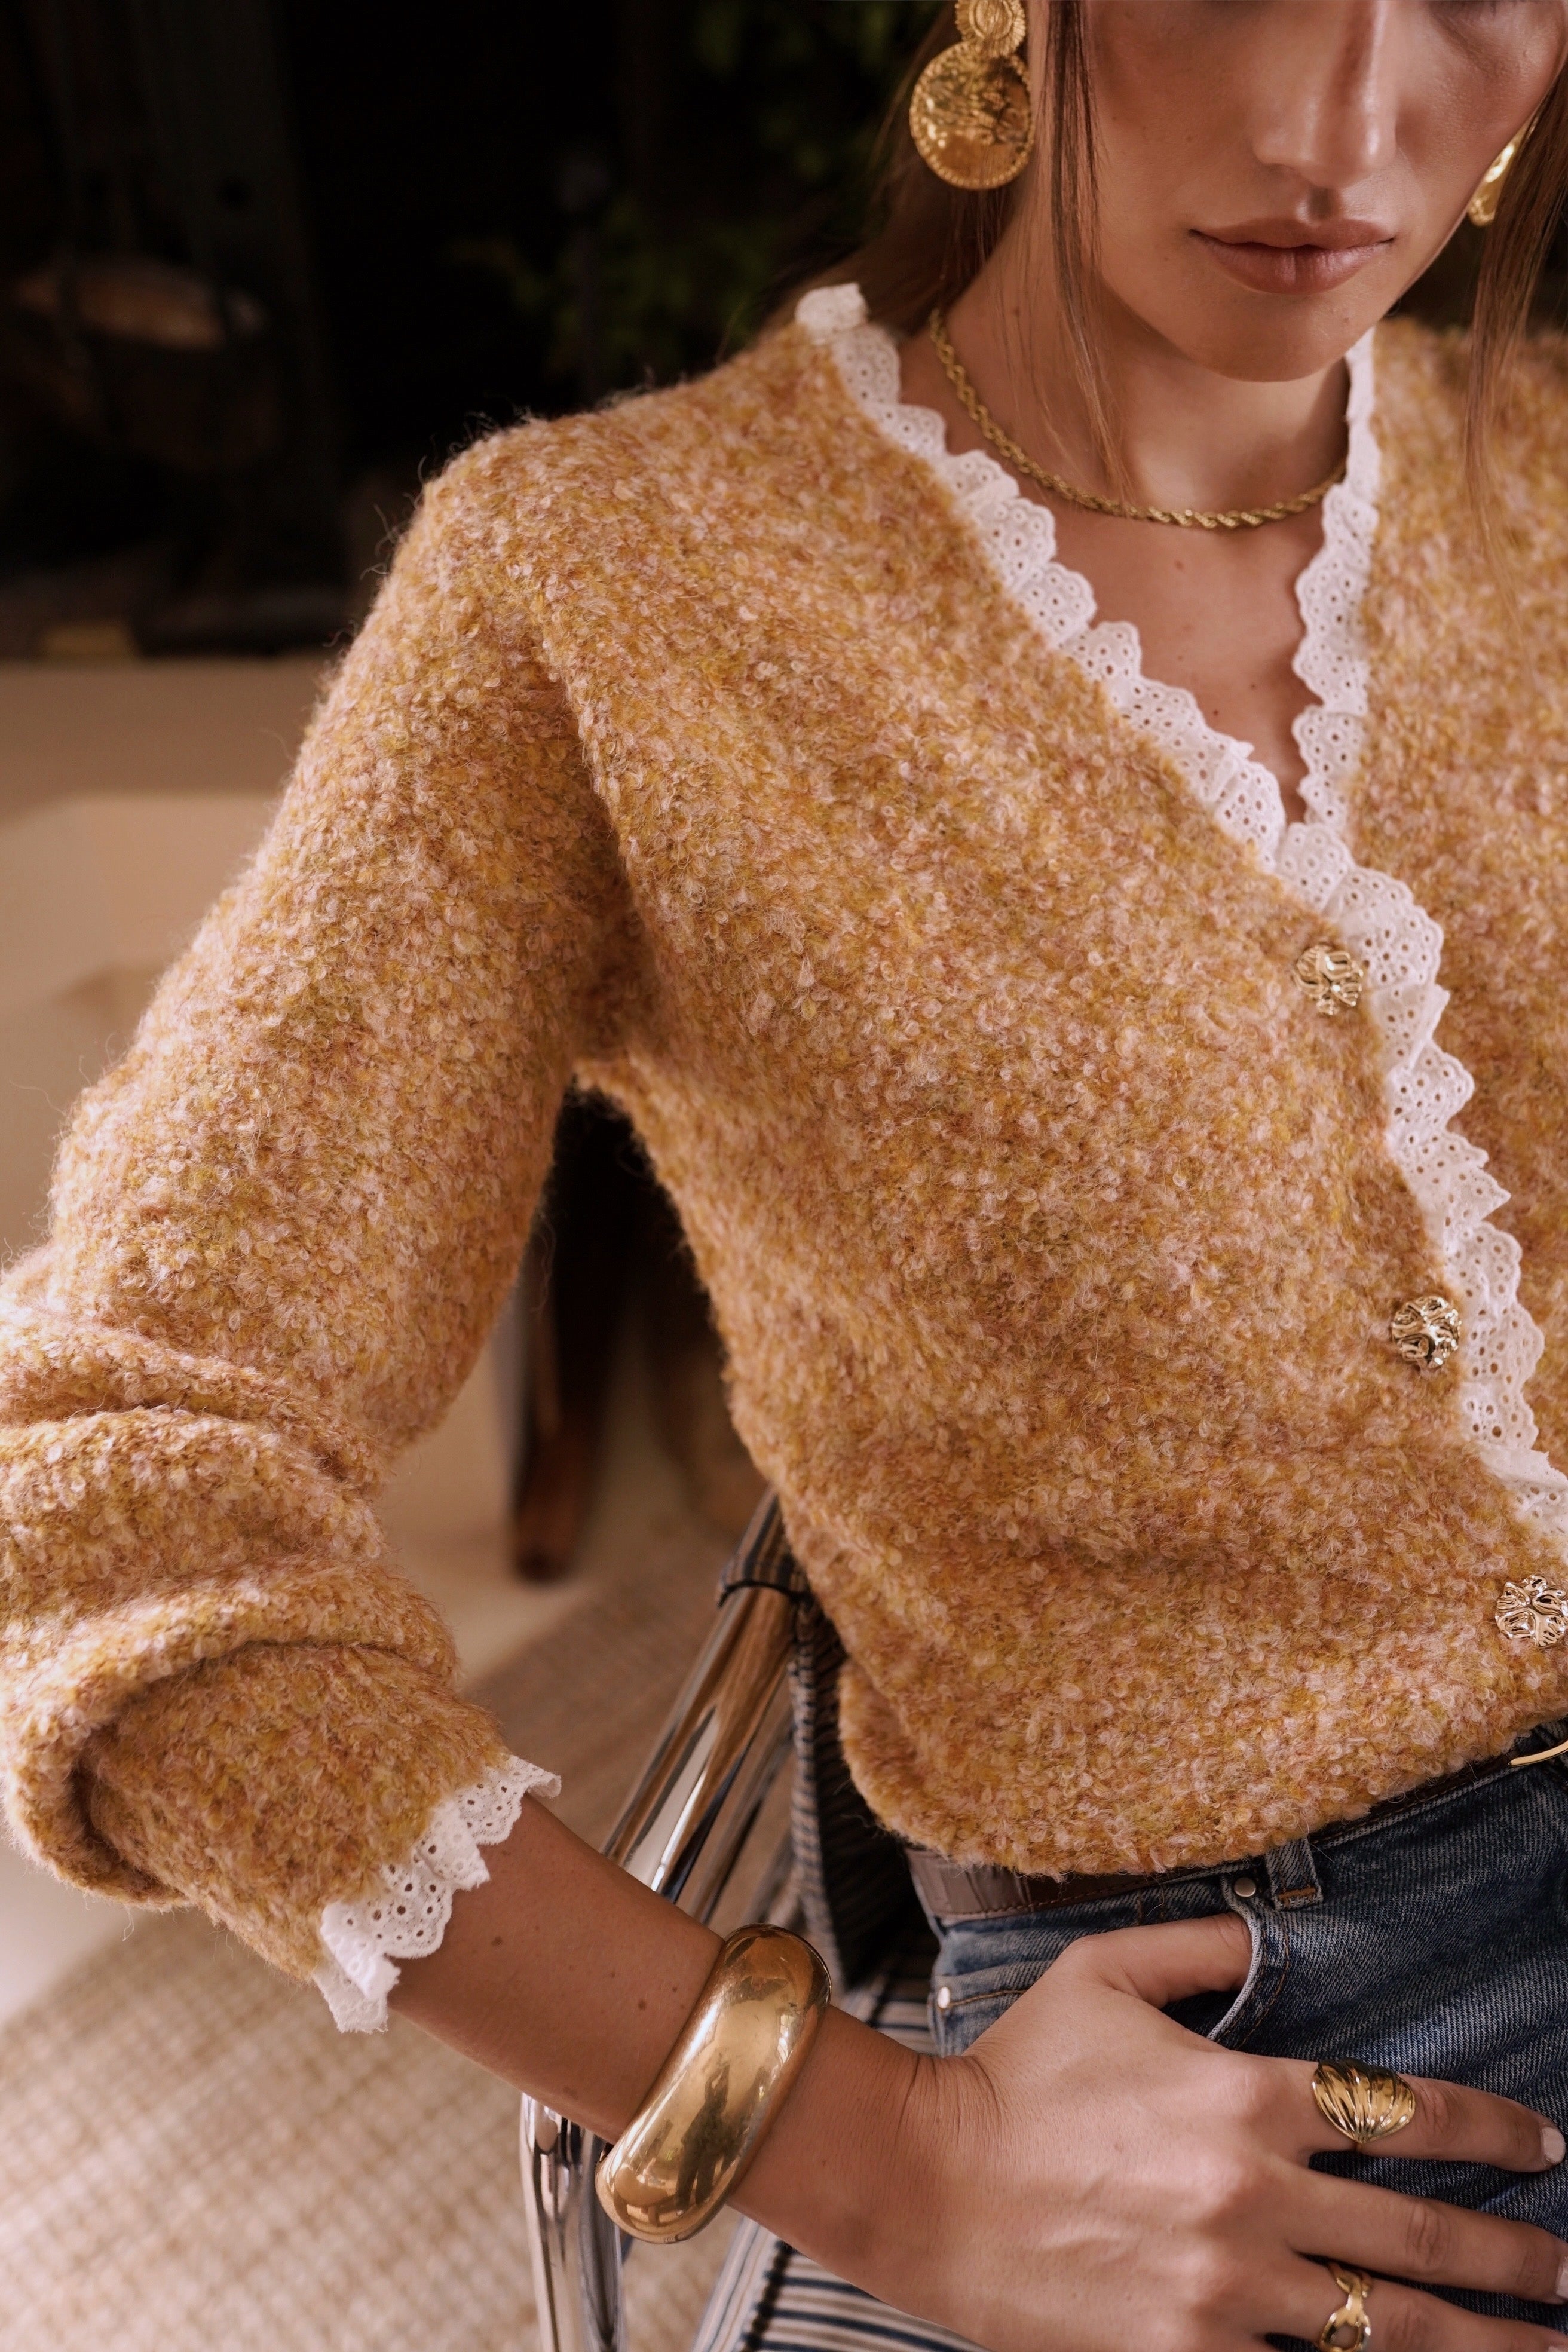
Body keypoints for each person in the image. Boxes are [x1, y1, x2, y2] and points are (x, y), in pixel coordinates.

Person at [6, 4, 1568, 2348]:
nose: (1342, 121)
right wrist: (868, 2146)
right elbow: (93, 1501)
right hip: (1280, 2038)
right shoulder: (604, 592)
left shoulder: (1540, 470)